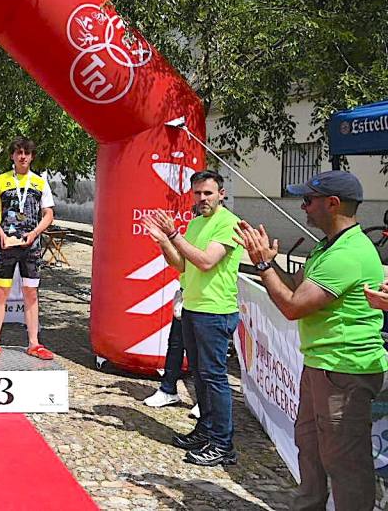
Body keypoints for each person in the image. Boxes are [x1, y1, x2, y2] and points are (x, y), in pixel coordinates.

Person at [235, 171, 387, 509]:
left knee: (345, 463)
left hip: (345, 369)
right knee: (310, 447)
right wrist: (268, 262)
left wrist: (263, 265)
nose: (302, 207)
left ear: (333, 204)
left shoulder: (347, 254)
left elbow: (293, 307)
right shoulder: (327, 246)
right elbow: (294, 286)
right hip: (323, 365)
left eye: (308, 200)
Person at [141, 170, 242, 466]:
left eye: (208, 193)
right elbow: (183, 265)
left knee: (214, 378)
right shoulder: (196, 222)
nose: (202, 198)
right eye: (197, 193)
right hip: (193, 307)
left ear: (221, 194)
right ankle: (206, 430)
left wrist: (173, 235)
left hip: (216, 310)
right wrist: (164, 242)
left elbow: (207, 261)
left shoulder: (228, 223)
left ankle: (223, 443)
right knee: (200, 375)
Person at [0, 137, 55, 360]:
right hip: (6, 246)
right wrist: (1, 234)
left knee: (31, 293)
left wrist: (34, 234)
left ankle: (34, 343)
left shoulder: (40, 182)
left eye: (26, 153)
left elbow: (49, 214)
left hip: (31, 248)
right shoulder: (0, 180)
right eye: (18, 152)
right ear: (12, 156)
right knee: (1, 292)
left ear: (32, 157)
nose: (22, 156)